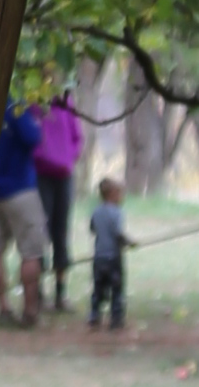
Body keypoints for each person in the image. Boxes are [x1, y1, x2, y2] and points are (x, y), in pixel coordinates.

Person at [0, 92, 44, 319]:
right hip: (20, 189)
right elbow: (33, 137)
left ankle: (3, 307)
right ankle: (29, 309)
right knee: (30, 251)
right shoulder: (15, 106)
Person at [32, 83, 87, 308]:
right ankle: (36, 292)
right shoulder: (33, 105)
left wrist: (68, 158)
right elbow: (30, 139)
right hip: (40, 175)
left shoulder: (66, 104)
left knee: (61, 232)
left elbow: (77, 137)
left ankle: (60, 293)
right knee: (39, 232)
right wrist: (43, 157)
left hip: (63, 176)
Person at [87, 173, 130, 330]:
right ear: (112, 194)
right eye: (120, 194)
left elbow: (92, 229)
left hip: (98, 257)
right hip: (113, 258)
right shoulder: (117, 213)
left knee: (98, 288)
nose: (121, 197)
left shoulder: (96, 211)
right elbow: (118, 234)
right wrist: (128, 242)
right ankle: (116, 319)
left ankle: (94, 315)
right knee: (116, 289)